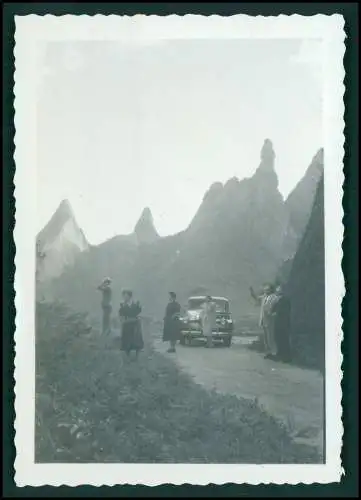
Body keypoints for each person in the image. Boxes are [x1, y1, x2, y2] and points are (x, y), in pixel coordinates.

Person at [249, 283, 277, 359]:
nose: (266, 290)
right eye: (265, 289)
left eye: (267, 289)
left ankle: (274, 353)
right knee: (266, 338)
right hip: (264, 319)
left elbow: (275, 308)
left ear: (271, 290)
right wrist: (252, 292)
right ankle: (268, 352)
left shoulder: (274, 297)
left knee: (270, 337)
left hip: (270, 320)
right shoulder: (264, 297)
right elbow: (256, 298)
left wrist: (273, 313)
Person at [119, 289, 144, 359]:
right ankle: (128, 356)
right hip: (127, 324)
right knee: (127, 341)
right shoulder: (123, 305)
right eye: (123, 296)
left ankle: (137, 356)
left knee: (136, 340)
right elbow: (121, 314)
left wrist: (139, 306)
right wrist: (122, 319)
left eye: (126, 296)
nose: (124, 297)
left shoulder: (135, 304)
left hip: (135, 323)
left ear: (130, 296)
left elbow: (138, 311)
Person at [271, 284, 292, 362]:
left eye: (279, 289)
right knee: (278, 338)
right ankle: (280, 354)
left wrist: (277, 313)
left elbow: (286, 312)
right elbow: (273, 310)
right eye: (277, 289)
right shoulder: (278, 300)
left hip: (284, 323)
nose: (277, 291)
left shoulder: (285, 300)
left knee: (284, 340)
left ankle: (286, 357)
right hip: (278, 322)